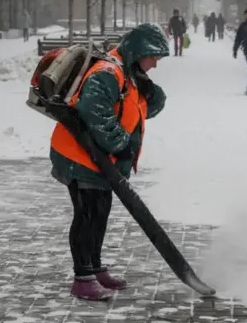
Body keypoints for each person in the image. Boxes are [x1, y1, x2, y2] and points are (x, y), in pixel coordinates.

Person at [49, 23, 169, 301]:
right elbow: (98, 117)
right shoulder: (108, 73)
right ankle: (83, 278)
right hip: (79, 156)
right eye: (155, 57)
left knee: (99, 213)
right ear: (141, 51)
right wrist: (122, 145)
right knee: (87, 215)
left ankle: (94, 268)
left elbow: (139, 110)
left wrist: (152, 92)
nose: (155, 64)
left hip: (99, 158)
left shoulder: (128, 74)